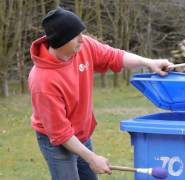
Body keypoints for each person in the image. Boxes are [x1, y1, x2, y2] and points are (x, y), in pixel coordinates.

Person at [28, 7, 172, 180]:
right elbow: (61, 134)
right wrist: (92, 158)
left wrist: (149, 63)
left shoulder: (84, 46)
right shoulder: (42, 80)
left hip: (81, 132)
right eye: (76, 37)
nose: (82, 39)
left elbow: (115, 56)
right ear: (61, 41)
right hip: (56, 140)